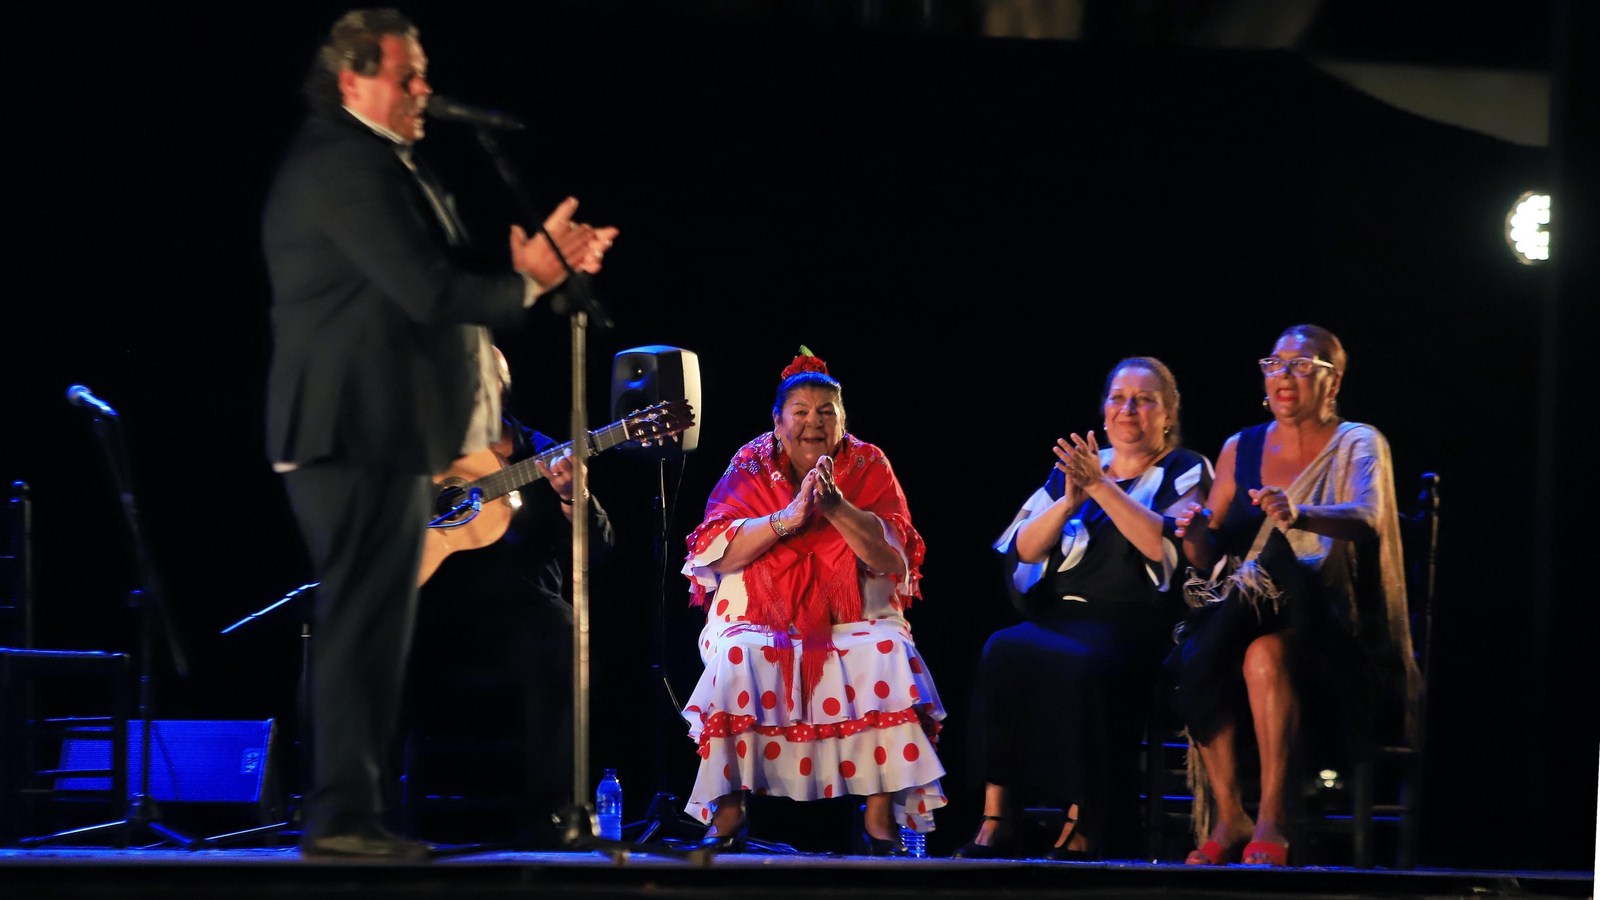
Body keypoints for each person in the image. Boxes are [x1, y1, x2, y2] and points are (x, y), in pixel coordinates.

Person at [262, 9, 617, 860]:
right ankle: (341, 820)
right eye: (405, 75)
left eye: (424, 74)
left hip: (387, 432)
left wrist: (534, 278)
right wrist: (526, 280)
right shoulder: (344, 165)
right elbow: (427, 291)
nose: (425, 90)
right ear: (353, 81)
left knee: (375, 630)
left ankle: (359, 817)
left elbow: (437, 290)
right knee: (360, 627)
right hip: (348, 430)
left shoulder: (388, 165)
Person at [1171, 325, 1423, 867]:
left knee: (1234, 639)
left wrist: (1298, 513)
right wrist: (1193, 536)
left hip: (1333, 628)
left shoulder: (1358, 440)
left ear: (1334, 382)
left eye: (1304, 365)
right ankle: (1231, 814)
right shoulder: (1241, 447)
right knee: (1235, 646)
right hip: (1248, 625)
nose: (1285, 375)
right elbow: (1207, 555)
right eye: (1275, 364)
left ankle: (1272, 819)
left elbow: (1369, 516)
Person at [680, 349, 943, 855]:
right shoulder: (750, 462)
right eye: (800, 411)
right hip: (759, 612)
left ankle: (880, 816)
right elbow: (716, 547)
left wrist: (836, 508)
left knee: (886, 647)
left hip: (854, 613)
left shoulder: (868, 462)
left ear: (843, 422)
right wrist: (788, 519)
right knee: (740, 654)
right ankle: (730, 808)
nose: (813, 422)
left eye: (826, 412)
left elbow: (892, 558)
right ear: (778, 423)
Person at [958, 357, 1211, 860]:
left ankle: (1085, 821)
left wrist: (1099, 486)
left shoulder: (1185, 469)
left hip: (1135, 622)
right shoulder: (1074, 472)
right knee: (1001, 649)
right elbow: (1024, 548)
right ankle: (997, 818)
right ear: (1103, 409)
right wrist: (1069, 501)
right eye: (1118, 397)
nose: (1128, 409)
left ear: (1168, 413)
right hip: (1062, 615)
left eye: (1144, 399)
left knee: (1083, 665)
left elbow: (1165, 548)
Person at [408, 348, 614, 845]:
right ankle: (365, 809)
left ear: (502, 388)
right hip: (432, 601)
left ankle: (550, 813)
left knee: (567, 636)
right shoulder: (425, 448)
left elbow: (602, 546)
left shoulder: (543, 454)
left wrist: (573, 498)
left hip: (517, 609)